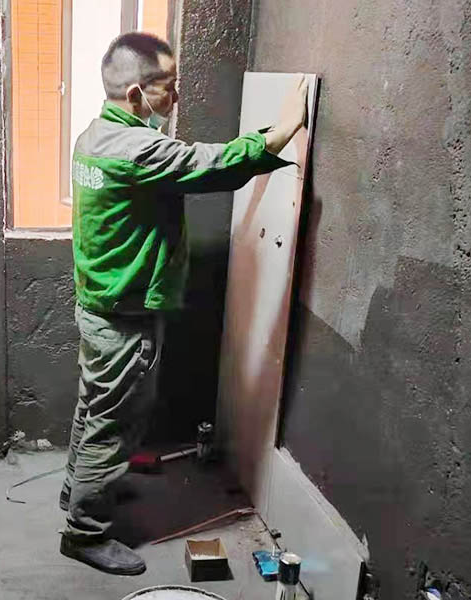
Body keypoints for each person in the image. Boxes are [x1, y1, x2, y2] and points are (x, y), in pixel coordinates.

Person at [59, 31, 308, 575]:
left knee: (92, 407)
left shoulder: (92, 137)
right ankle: (85, 532)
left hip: (99, 305)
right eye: (168, 88)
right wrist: (281, 132)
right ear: (136, 95)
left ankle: (75, 494)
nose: (175, 98)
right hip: (124, 318)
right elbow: (210, 164)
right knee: (113, 425)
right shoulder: (135, 149)